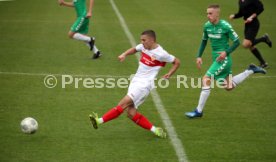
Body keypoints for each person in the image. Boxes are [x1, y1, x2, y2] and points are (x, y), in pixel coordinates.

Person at [89, 30, 180, 138]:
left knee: (122, 103)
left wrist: (169, 74)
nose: (142, 42)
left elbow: (177, 62)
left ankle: (98, 121)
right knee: (131, 113)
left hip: (144, 85)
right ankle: (156, 130)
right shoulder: (143, 46)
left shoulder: (161, 53)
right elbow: (134, 49)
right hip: (135, 81)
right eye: (141, 40)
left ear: (152, 40)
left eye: (144, 40)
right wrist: (124, 54)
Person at [185, 4, 266, 118]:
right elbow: (204, 41)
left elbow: (237, 42)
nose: (208, 16)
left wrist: (225, 53)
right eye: (207, 13)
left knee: (206, 79)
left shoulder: (225, 26)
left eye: (210, 13)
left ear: (217, 14)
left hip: (224, 60)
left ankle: (198, 111)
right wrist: (199, 56)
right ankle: (250, 70)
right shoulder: (207, 26)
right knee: (229, 87)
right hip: (216, 58)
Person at [229, 0, 272, 68]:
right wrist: (234, 16)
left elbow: (261, 8)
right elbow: (241, 13)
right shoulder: (240, 1)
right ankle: (263, 63)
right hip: (247, 25)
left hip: (254, 24)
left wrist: (251, 17)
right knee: (250, 46)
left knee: (246, 44)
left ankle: (264, 38)